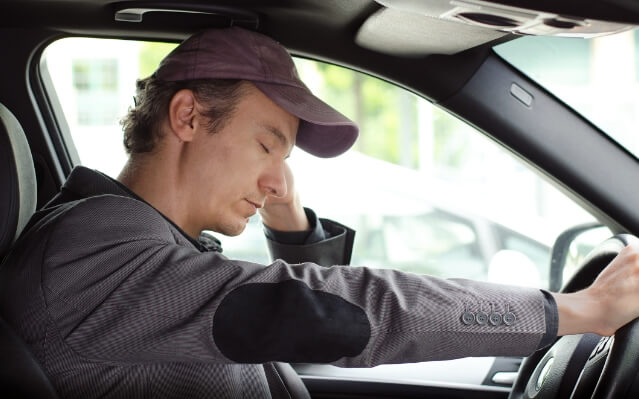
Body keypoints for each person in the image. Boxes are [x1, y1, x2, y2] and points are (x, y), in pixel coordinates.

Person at [1, 26, 639, 399]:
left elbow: (269, 327)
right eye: (267, 142)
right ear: (188, 116)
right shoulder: (89, 259)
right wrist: (572, 310)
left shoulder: (142, 242)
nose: (280, 176)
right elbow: (312, 310)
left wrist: (286, 212)